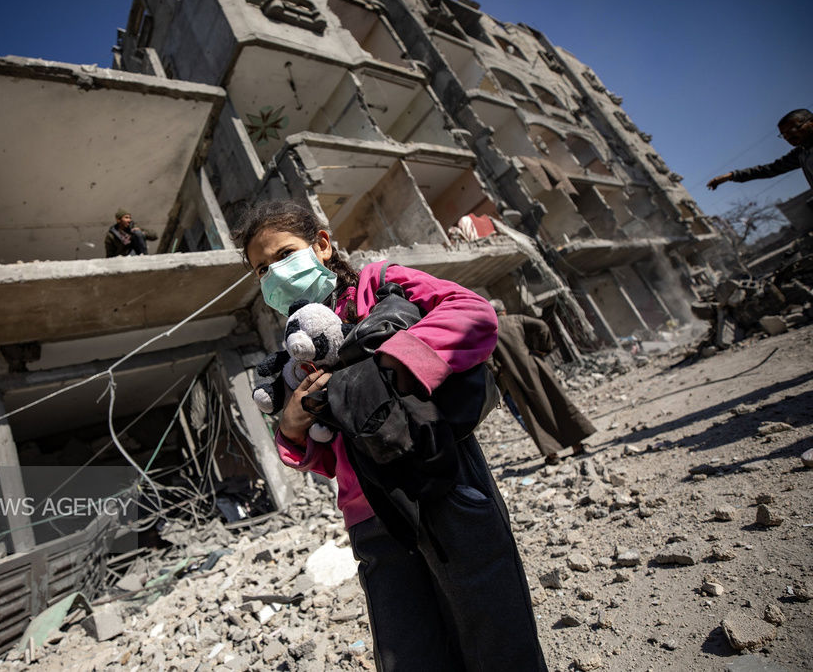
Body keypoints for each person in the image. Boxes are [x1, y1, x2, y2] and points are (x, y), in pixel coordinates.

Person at [233, 201, 547, 671]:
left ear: (320, 245)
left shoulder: (378, 284)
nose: (275, 273)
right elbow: (327, 455)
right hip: (368, 517)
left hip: (440, 479)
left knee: (495, 637)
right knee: (409, 653)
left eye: (284, 255)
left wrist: (390, 365)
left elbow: (473, 314)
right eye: (262, 269)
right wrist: (293, 423)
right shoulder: (299, 344)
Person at [488, 299, 595, 465]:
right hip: (535, 367)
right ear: (504, 310)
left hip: (513, 378)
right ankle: (576, 445)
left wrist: (498, 373)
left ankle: (552, 455)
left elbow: (488, 361)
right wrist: (542, 349)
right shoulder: (517, 319)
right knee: (557, 402)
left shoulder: (489, 333)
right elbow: (542, 326)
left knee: (532, 414)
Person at [707, 109, 813, 191]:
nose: (788, 137)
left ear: (811, 123)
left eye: (792, 130)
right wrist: (730, 176)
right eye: (784, 135)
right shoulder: (801, 153)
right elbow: (769, 169)